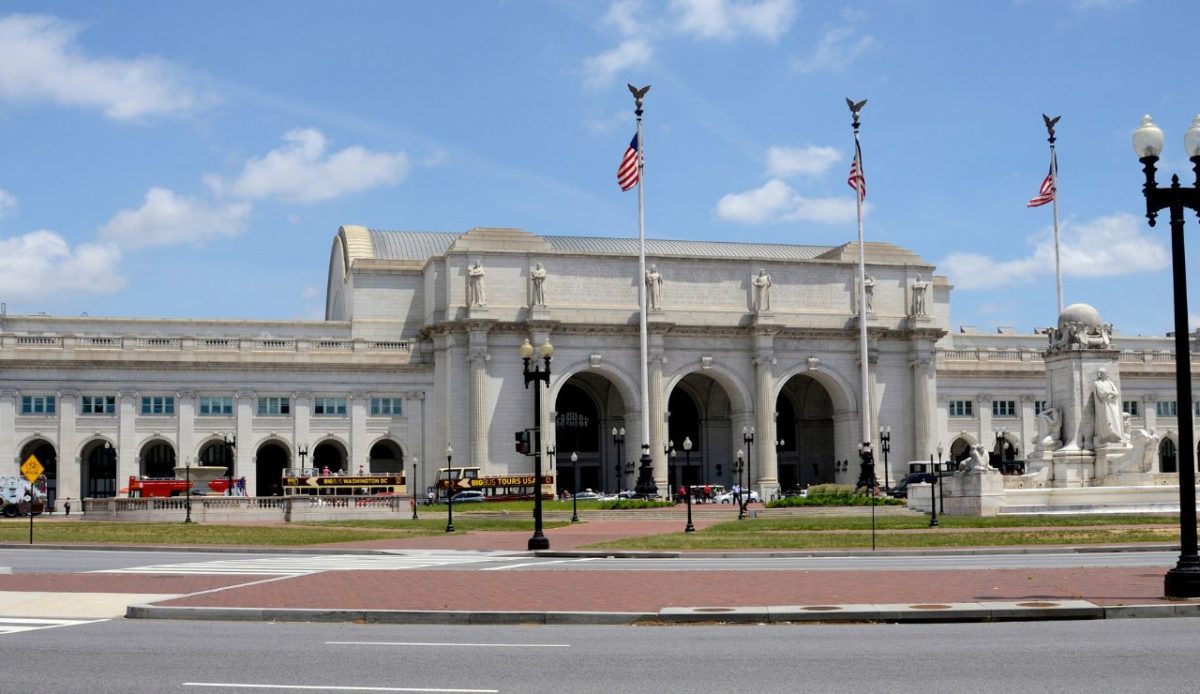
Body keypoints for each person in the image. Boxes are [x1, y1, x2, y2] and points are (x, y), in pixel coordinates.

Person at [1094, 369, 1124, 446]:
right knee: (1107, 420)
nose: (1104, 374)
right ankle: (1106, 438)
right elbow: (1101, 393)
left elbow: (1116, 393)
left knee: (1115, 420)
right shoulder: (1097, 383)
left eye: (1105, 373)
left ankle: (1116, 437)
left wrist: (1110, 394)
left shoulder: (1110, 383)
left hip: (1112, 404)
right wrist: (1110, 392)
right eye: (1102, 373)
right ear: (1100, 375)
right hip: (1104, 405)